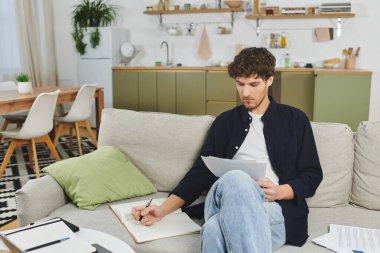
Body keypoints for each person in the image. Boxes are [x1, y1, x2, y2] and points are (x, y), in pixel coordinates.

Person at [132, 47, 323, 252]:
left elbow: (312, 175)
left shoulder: (295, 119)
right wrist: (162, 210)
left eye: (253, 84)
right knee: (237, 178)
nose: (245, 93)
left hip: (273, 210)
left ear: (269, 80)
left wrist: (279, 192)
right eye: (240, 84)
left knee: (214, 229)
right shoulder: (225, 122)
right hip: (225, 201)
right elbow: (199, 173)